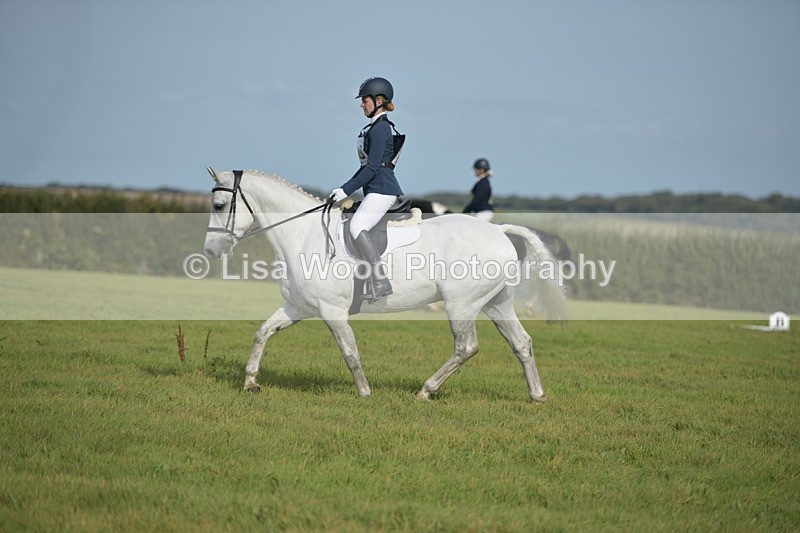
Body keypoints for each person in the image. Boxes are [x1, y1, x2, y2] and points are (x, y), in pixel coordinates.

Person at [329, 76, 404, 301]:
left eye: (365, 100)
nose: (362, 104)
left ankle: (381, 280)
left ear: (379, 100)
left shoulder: (380, 130)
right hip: (375, 189)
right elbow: (365, 168)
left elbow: (372, 169)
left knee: (357, 225)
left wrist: (347, 190)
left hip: (383, 189)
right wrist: (344, 188)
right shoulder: (373, 128)